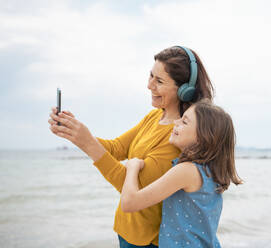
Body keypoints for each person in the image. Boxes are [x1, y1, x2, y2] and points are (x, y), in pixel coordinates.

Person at [48, 46, 214, 247]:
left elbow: (133, 189)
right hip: (126, 231)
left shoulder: (179, 137)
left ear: (184, 91)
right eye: (150, 75)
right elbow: (117, 148)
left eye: (159, 81)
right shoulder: (155, 116)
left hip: (147, 241)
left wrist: (87, 142)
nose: (149, 85)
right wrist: (75, 132)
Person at [120, 100, 243, 247]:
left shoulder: (186, 171)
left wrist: (132, 167)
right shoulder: (211, 171)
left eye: (184, 122)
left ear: (202, 137)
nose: (176, 122)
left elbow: (129, 203)